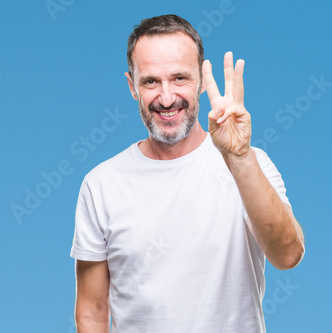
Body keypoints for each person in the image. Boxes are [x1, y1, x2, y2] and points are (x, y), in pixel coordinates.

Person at [69, 14, 305, 332]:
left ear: (201, 82)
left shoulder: (252, 163)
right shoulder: (101, 185)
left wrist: (239, 158)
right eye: (151, 81)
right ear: (132, 86)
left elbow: (288, 254)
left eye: (180, 78)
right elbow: (92, 308)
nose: (166, 98)